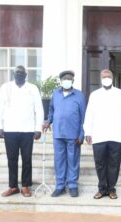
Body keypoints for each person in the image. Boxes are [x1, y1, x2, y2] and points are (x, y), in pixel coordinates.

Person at [0, 65, 44, 197]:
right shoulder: (6, 87)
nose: (19, 74)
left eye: (21, 73)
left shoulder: (32, 88)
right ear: (13, 74)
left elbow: (39, 109)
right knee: (12, 159)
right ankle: (13, 186)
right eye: (17, 72)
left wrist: (38, 128)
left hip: (28, 130)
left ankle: (26, 186)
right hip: (10, 129)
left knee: (27, 159)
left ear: (26, 75)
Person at [84, 69, 121, 199]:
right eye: (104, 76)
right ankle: (101, 188)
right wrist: (88, 132)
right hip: (98, 135)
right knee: (100, 163)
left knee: (114, 164)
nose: (106, 78)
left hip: (116, 135)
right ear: (100, 78)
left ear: (113, 77)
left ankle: (111, 189)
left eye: (108, 76)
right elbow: (89, 114)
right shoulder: (94, 95)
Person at [43, 70, 86, 198]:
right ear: (61, 81)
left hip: (73, 134)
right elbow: (51, 110)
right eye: (65, 79)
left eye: (69, 78)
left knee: (73, 160)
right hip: (58, 133)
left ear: (72, 81)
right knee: (59, 161)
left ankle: (73, 185)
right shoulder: (55, 94)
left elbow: (84, 116)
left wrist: (81, 134)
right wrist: (48, 121)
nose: (67, 80)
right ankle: (60, 186)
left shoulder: (79, 95)